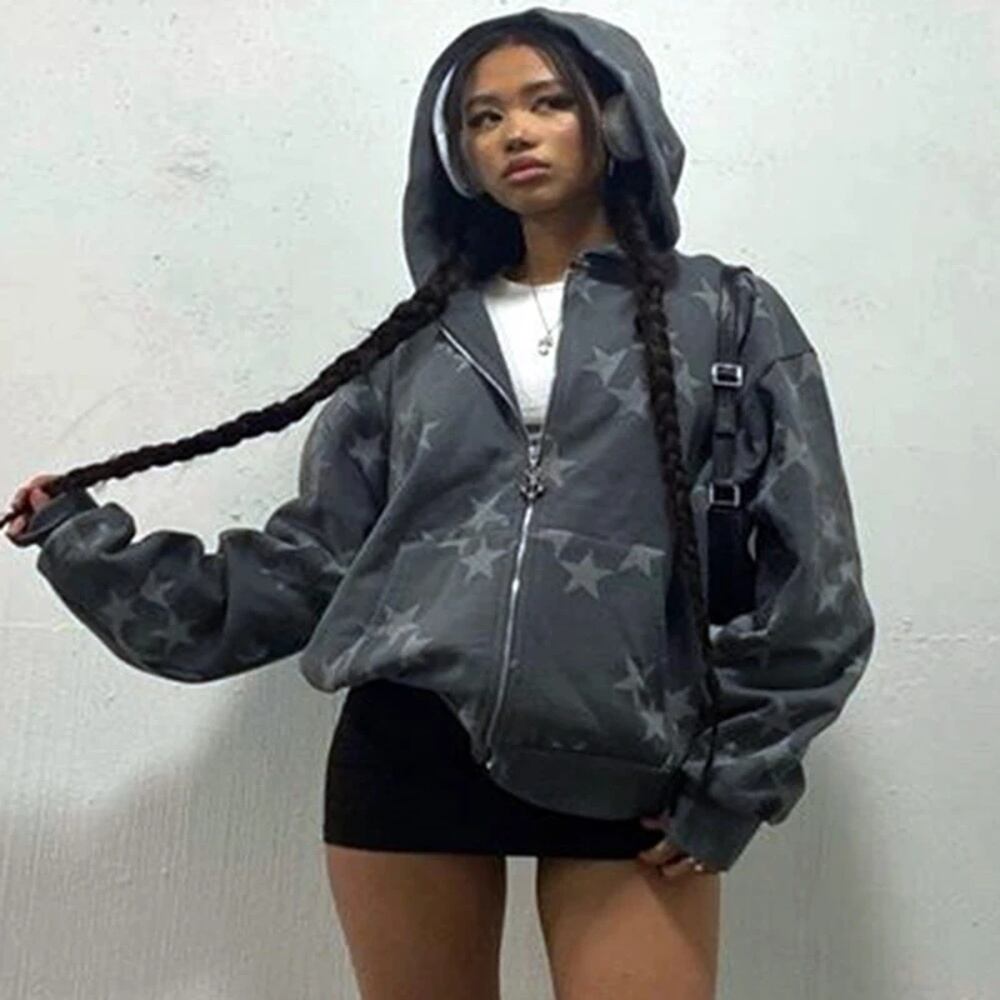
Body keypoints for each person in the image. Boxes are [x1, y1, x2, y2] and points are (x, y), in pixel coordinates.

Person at [4, 7, 875, 997]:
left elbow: (818, 579)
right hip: (406, 754)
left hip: (632, 767)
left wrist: (734, 779)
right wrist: (80, 542)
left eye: (547, 103)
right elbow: (311, 566)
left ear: (617, 118)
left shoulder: (727, 315)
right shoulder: (416, 344)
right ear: (457, 154)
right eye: (482, 117)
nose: (514, 133)